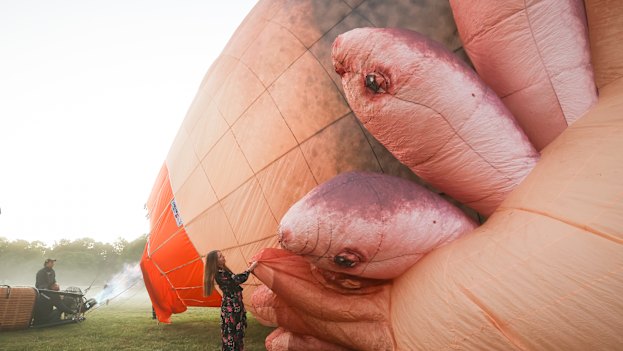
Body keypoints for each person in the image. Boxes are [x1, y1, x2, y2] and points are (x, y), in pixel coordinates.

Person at [204, 250, 258, 351]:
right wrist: (250, 269)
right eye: (220, 256)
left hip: (235, 305)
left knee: (236, 332)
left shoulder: (224, 271)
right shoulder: (220, 274)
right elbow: (238, 279)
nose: (223, 257)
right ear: (215, 261)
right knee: (232, 333)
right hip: (231, 307)